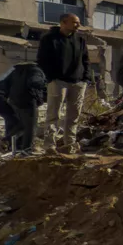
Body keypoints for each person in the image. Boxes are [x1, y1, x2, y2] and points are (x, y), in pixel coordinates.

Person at [36, 13, 91, 152]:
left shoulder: (80, 40)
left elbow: (86, 60)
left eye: (78, 22)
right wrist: (51, 77)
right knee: (54, 114)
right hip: (58, 81)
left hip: (78, 82)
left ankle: (70, 144)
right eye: (74, 22)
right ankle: (50, 145)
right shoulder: (49, 39)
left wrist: (85, 78)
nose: (78, 25)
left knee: (74, 116)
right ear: (63, 23)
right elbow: (42, 60)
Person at [0, 62, 47, 155]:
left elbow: (4, 84)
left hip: (14, 101)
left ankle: (11, 144)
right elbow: (35, 82)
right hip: (28, 101)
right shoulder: (36, 71)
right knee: (30, 127)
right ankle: (26, 150)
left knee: (22, 125)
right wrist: (44, 86)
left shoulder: (17, 71)